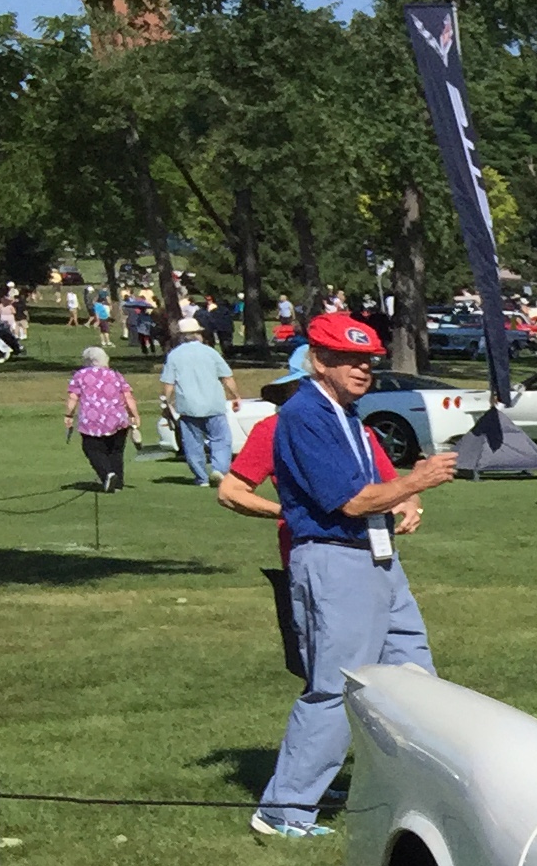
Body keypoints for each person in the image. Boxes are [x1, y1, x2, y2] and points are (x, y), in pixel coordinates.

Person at [253, 311, 458, 839]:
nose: (362, 369)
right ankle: (285, 809)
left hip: (375, 555)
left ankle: (412, 785)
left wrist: (403, 498)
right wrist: (419, 481)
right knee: (336, 686)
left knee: (413, 678)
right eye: (348, 359)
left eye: (367, 360)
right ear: (318, 361)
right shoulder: (305, 416)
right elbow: (350, 501)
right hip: (333, 557)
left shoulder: (346, 413)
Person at [219, 396, 406, 679]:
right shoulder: (274, 429)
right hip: (315, 559)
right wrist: (289, 512)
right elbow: (230, 493)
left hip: (376, 556)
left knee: (388, 664)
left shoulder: (356, 429)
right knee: (328, 671)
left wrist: (409, 502)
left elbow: (394, 485)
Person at [158, 315, 240, 488]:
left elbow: (168, 384)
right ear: (198, 334)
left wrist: (166, 403)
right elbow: (227, 377)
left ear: (181, 336)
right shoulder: (210, 352)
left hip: (188, 406)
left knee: (192, 443)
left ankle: (201, 477)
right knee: (220, 440)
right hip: (213, 403)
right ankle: (219, 469)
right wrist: (235, 396)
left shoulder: (174, 355)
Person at [63, 344, 138, 488]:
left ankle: (107, 474)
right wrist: (134, 414)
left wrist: (68, 414)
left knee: (92, 448)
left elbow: (73, 397)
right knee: (115, 450)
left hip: (93, 419)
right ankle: (118, 480)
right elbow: (127, 396)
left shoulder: (80, 375)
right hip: (117, 417)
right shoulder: (115, 374)